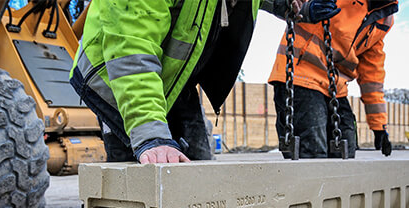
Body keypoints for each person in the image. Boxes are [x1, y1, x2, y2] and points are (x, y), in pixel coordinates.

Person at [70, 0, 339, 164]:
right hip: (116, 79)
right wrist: (150, 135)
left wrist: (289, 4)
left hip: (172, 79)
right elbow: (130, 50)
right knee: (136, 183)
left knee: (198, 169)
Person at [268, 0, 398, 159]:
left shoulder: (385, 17)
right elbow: (288, 4)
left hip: (335, 87)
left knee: (346, 148)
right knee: (312, 152)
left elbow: (372, 76)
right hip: (300, 74)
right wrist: (306, 9)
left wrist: (379, 126)